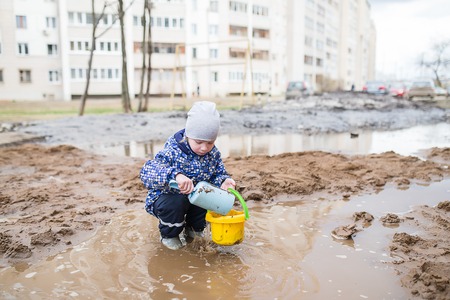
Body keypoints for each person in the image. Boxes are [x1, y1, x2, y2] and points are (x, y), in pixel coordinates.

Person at [140, 101, 236, 250]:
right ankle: (170, 235)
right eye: (198, 142)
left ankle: (194, 230)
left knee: (207, 196)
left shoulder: (213, 154)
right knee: (176, 203)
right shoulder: (173, 151)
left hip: (195, 199)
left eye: (210, 142)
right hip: (168, 199)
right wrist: (175, 175)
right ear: (188, 136)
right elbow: (147, 171)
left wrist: (224, 181)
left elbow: (218, 172)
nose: (204, 148)